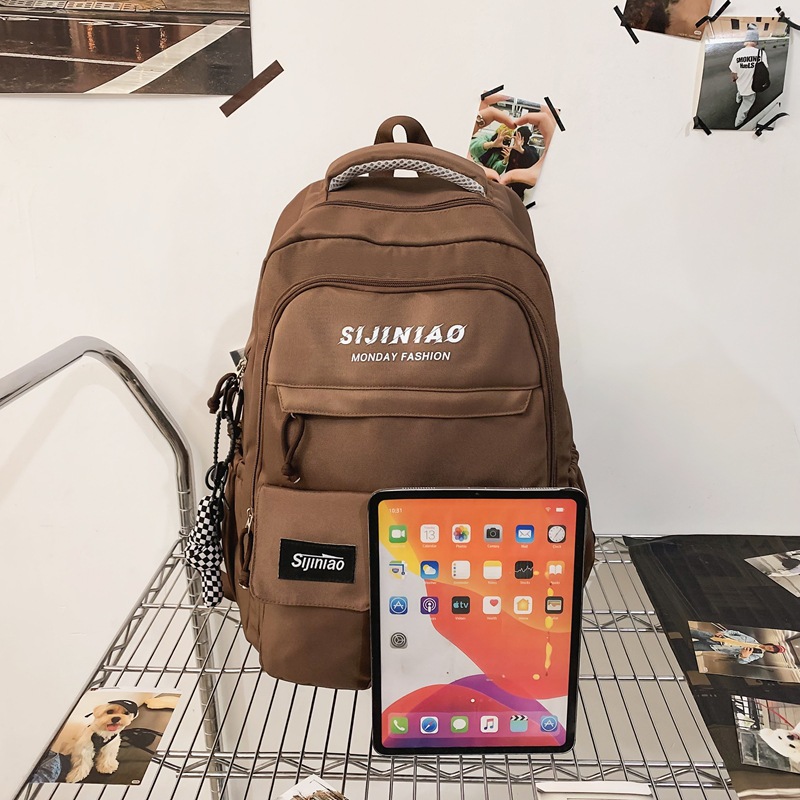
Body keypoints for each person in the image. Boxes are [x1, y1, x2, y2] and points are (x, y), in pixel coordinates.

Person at [729, 23, 768, 128]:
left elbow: (733, 73)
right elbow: (765, 70)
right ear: (756, 41)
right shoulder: (761, 53)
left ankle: (738, 97)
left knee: (741, 90)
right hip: (751, 88)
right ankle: (738, 123)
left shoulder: (737, 54)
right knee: (746, 104)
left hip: (741, 84)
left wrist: (735, 78)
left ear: (745, 40)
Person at [689, 626, 786, 665]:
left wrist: (743, 656)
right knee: (692, 632)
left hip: (716, 647)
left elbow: (742, 661)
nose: (771, 648)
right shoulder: (753, 640)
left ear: (771, 652)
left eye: (773, 650)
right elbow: (736, 633)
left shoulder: (758, 654)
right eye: (773, 647)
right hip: (716, 637)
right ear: (771, 644)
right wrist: (723, 632)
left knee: (692, 646)